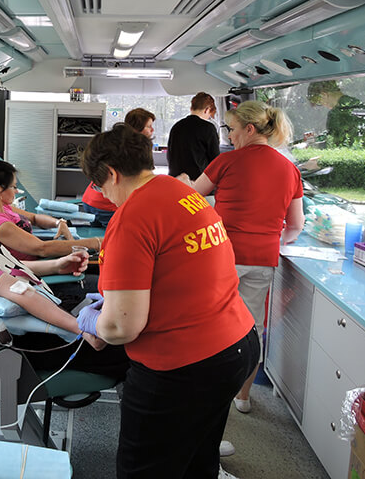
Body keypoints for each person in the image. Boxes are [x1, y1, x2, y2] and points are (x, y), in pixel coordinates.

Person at [77, 123, 259, 479]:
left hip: (185, 367)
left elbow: (121, 327)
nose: (105, 196)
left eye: (100, 186)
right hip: (235, 346)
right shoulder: (181, 191)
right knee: (196, 460)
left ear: (111, 174)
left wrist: (94, 320)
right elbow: (179, 270)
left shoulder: (132, 216)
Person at [0, 163, 129, 378]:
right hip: (27, 339)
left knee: (124, 314)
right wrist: (82, 328)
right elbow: (18, 290)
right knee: (129, 346)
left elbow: (9, 269)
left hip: (47, 307)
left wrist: (57, 266)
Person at [178, 100, 305, 413]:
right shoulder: (290, 169)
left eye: (232, 129)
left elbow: (192, 196)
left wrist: (182, 183)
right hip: (263, 260)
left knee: (210, 322)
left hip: (223, 258)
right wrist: (273, 239)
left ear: (249, 129)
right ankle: (243, 396)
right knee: (250, 328)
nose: (230, 136)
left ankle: (205, 392)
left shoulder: (227, 161)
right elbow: (295, 226)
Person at [0, 160, 102, 260]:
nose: (16, 191)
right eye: (14, 187)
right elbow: (42, 249)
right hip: (37, 270)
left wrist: (58, 223)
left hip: (46, 259)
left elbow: (34, 218)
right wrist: (95, 243)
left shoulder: (3, 207)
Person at [81, 107, 156, 226]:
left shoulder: (116, 146)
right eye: (149, 126)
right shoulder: (132, 153)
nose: (152, 130)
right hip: (103, 207)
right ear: (137, 128)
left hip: (89, 200)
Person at [167, 91, 220, 180]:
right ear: (207, 109)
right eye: (209, 115)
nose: (208, 118)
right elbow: (215, 159)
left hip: (176, 179)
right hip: (198, 180)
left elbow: (170, 155)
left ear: (191, 108)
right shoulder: (208, 127)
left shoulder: (177, 126)